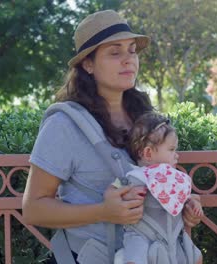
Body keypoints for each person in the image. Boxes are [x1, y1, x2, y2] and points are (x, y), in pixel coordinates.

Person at [22, 10, 202, 264]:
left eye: (132, 50)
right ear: (88, 64)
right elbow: (33, 209)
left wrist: (181, 203)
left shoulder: (146, 117)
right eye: (115, 52)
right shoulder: (64, 124)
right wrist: (103, 212)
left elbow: (154, 181)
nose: (129, 60)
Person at [118, 112, 203, 264]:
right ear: (148, 153)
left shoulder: (173, 177)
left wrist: (192, 204)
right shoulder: (135, 175)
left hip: (173, 237)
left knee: (197, 257)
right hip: (143, 235)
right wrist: (123, 193)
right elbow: (114, 189)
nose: (177, 155)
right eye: (171, 150)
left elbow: (181, 197)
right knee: (135, 256)